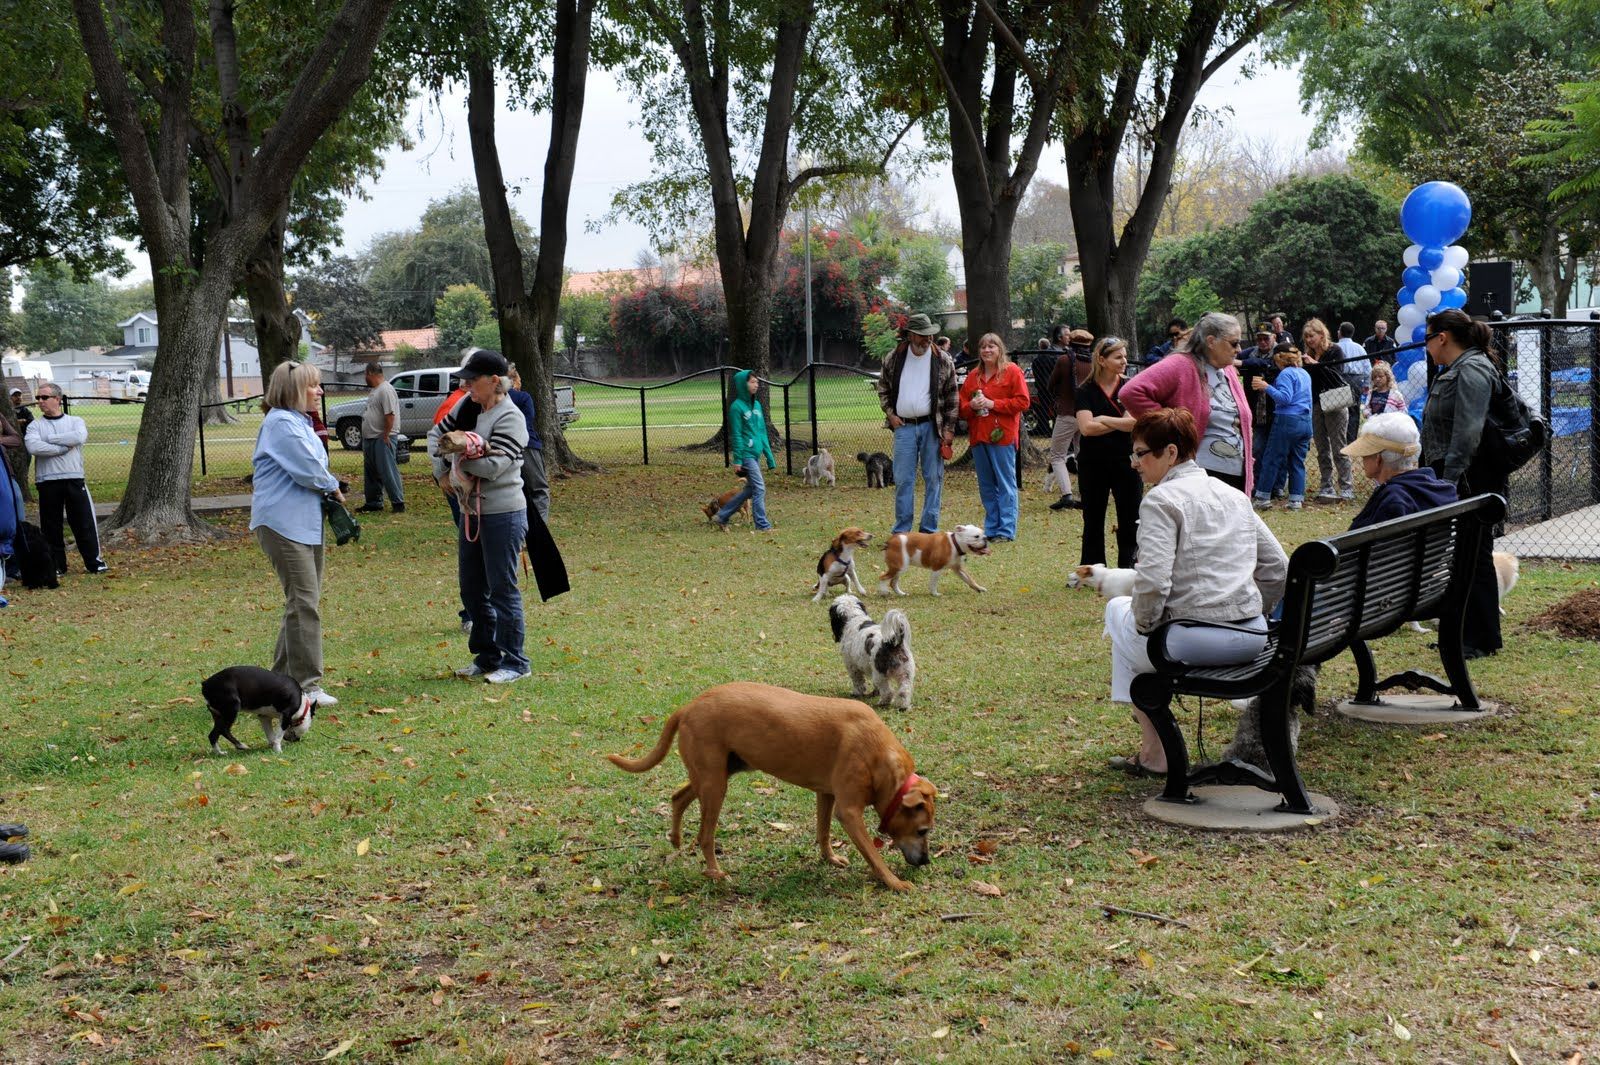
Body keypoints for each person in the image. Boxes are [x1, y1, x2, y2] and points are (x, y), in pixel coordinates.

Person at [1102, 408, 1287, 775]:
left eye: (1140, 453)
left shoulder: (1161, 500)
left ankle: (1156, 753)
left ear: (1170, 453)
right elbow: (1278, 566)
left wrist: (1146, 626)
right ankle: (1153, 750)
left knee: (1119, 614)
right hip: (1253, 635)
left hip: (1196, 640)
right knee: (1126, 615)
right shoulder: (1233, 495)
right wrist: (1251, 612)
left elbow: (1153, 583)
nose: (1134, 464)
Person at [428, 349, 532, 683]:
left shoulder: (510, 417)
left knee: (502, 589)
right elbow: (436, 438)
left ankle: (516, 663)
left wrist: (456, 460)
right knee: (472, 589)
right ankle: (487, 657)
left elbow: (494, 467)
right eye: (466, 379)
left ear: (494, 381)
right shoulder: (468, 407)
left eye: (473, 379)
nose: (467, 384)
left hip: (503, 513)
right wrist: (441, 471)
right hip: (470, 511)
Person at [250, 362, 344, 708]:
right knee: (304, 603)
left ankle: (273, 684)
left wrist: (329, 484)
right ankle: (307, 686)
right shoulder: (281, 423)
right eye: (313, 386)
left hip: (304, 523)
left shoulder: (299, 422)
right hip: (283, 524)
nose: (319, 392)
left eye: (319, 386)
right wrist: (334, 487)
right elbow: (309, 470)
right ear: (293, 390)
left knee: (301, 604)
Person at [1420, 307, 1505, 659]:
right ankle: (1463, 631)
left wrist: (1451, 479)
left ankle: (1479, 637)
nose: (1425, 347)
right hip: (1459, 474)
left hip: (1469, 476)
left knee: (1474, 552)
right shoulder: (1461, 367)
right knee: (1466, 552)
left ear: (1442, 338)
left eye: (1427, 339)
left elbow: (1468, 431)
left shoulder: (1471, 369)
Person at [1121, 311, 1254, 495]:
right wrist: (1171, 423)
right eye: (1234, 343)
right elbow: (1131, 391)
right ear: (1211, 341)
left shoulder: (1228, 370)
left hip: (1234, 473)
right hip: (1201, 474)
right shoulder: (1181, 364)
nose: (1239, 349)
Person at [875, 312, 958, 534]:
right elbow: (882, 388)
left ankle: (928, 530)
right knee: (903, 479)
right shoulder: (894, 357)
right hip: (903, 428)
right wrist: (890, 414)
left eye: (930, 335)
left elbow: (952, 397)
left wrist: (949, 430)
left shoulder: (942, 359)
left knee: (933, 478)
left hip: (933, 427)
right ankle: (902, 531)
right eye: (922, 335)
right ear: (910, 335)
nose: (928, 339)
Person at [24, 384, 107, 576]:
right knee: (51, 526)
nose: (40, 401)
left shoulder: (75, 421)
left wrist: (50, 438)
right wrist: (62, 448)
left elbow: (79, 437)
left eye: (44, 397)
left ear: (57, 399)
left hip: (74, 479)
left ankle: (94, 562)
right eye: (38, 398)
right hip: (47, 481)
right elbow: (34, 447)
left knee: (83, 522)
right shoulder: (35, 425)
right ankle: (57, 565)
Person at [1075, 337, 1142, 567]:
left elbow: (1135, 422)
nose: (1124, 361)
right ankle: (1092, 569)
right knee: (1093, 518)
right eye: (1118, 357)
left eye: (1124, 356)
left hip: (1128, 462)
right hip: (1092, 464)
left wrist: (1102, 418)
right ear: (1101, 360)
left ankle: (1129, 566)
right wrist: (1118, 421)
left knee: (1130, 516)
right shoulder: (1085, 390)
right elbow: (1086, 428)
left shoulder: (1131, 386)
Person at [959, 332, 1029, 542]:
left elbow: (1023, 402)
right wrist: (971, 406)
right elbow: (961, 406)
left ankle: (1006, 530)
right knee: (987, 485)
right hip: (979, 436)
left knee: (1006, 483)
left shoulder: (1012, 372)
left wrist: (993, 404)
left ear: (1000, 349)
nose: (987, 350)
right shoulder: (973, 376)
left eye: (992, 346)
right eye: (983, 347)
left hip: (1002, 436)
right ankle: (991, 529)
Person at [1343, 411, 1457, 530]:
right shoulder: (1442, 491)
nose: (1362, 458)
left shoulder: (1393, 503)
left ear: (1378, 459)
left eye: (1365, 453)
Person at [710, 368, 776, 531]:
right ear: (742, 385)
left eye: (757, 382)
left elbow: (762, 432)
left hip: (755, 454)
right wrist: (738, 460)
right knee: (759, 487)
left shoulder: (758, 405)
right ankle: (762, 524)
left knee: (750, 490)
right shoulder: (736, 407)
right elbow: (737, 435)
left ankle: (722, 516)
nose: (756, 385)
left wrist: (769, 456)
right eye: (752, 382)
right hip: (746, 455)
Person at [1250, 344, 1313, 511]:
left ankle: (1262, 497)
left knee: (1272, 458)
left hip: (1287, 421)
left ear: (1280, 359)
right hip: (1305, 421)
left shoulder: (1285, 374)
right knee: (1297, 462)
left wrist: (1266, 387)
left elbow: (1285, 398)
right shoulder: (1305, 373)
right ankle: (1296, 500)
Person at [1300, 318, 1354, 503]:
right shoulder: (1307, 354)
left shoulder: (1334, 350)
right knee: (1322, 447)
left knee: (1339, 447)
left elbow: (1336, 376)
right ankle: (1326, 485)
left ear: (1321, 334)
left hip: (1335, 401)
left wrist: (1316, 364)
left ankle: (1346, 487)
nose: (1308, 340)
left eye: (1311, 336)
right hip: (1316, 403)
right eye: (1306, 337)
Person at [1045, 329, 1094, 510]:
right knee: (1084, 455)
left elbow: (1051, 384)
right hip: (1088, 416)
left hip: (1066, 414)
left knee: (1057, 456)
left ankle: (1067, 495)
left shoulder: (1064, 360)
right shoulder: (1096, 363)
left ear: (1070, 343)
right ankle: (1086, 492)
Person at [358, 362, 405, 513]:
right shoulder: (375, 390)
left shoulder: (385, 390)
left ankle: (398, 502)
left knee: (387, 470)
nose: (365, 377)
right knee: (371, 472)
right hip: (370, 437)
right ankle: (373, 502)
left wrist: (386, 434)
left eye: (365, 374)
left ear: (371, 373)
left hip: (382, 437)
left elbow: (390, 415)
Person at [505, 365, 551, 523]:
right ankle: (539, 531)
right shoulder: (522, 398)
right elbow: (527, 421)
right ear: (513, 380)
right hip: (527, 446)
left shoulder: (491, 400)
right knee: (539, 490)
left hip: (502, 448)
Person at [1336, 322, 1373, 446]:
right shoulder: (1359, 348)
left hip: (1340, 379)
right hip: (1356, 380)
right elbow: (1367, 367)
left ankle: (1338, 437)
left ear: (1340, 332)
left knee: (1339, 409)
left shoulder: (1335, 347)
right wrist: (1367, 383)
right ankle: (1351, 439)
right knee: (1354, 410)